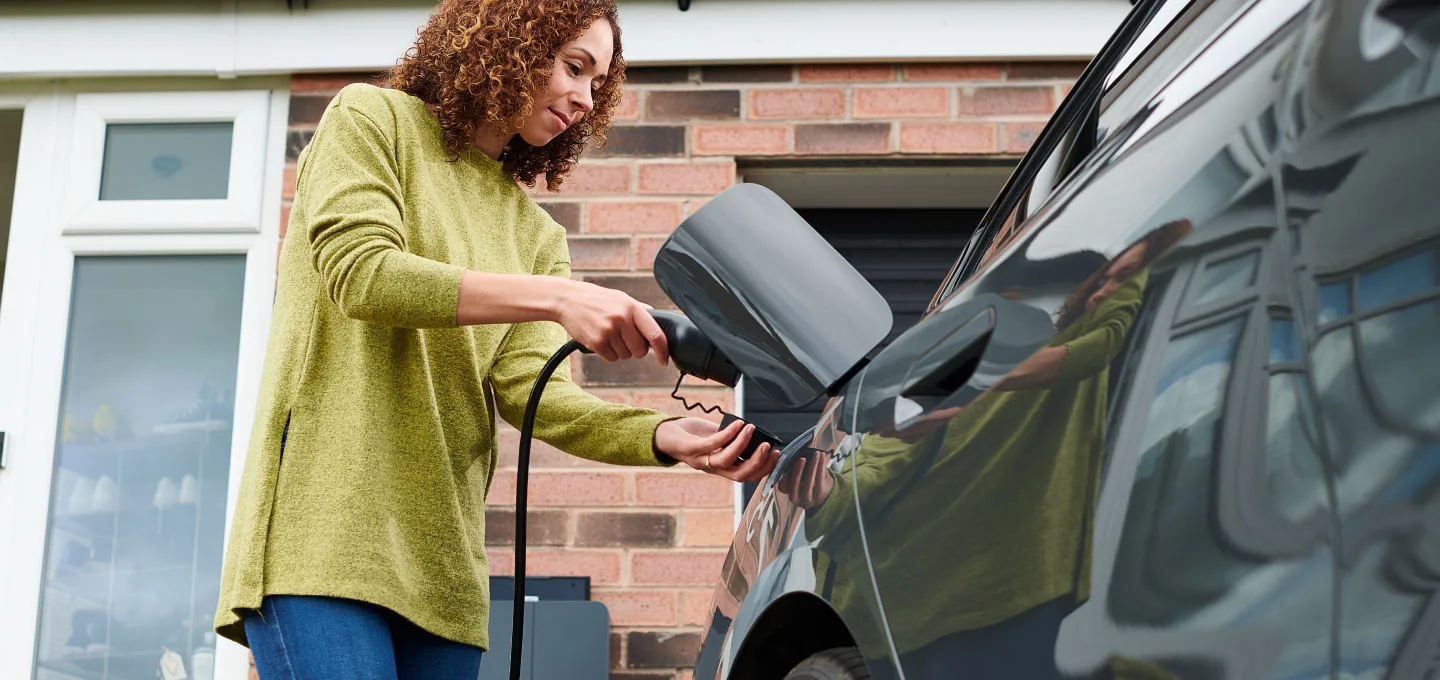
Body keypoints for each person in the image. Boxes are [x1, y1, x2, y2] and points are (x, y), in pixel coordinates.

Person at [212, 2, 779, 678]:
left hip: (442, 573)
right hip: (321, 540)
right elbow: (362, 274)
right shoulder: (370, 120)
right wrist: (559, 298)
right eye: (574, 67)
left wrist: (661, 436)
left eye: (598, 83)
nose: (585, 98)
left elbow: (535, 395)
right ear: (510, 44)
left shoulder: (535, 235)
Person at [782, 220, 1192, 679]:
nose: (1107, 292)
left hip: (998, 603)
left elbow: (1105, 338)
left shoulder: (1065, 361)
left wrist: (975, 379)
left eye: (1125, 279)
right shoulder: (968, 369)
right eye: (1103, 281)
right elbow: (880, 456)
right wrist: (824, 494)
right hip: (907, 612)